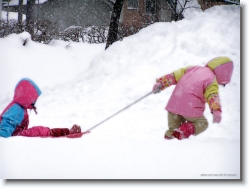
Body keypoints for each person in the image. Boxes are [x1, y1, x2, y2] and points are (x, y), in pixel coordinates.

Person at [152, 56, 234, 140]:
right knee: (202, 124)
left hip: (174, 106)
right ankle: (183, 131)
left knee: (173, 130)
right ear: (223, 74)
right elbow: (212, 95)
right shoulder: (211, 79)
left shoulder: (192, 69)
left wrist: (161, 83)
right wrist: (216, 110)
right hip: (190, 109)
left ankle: (168, 142)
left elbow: (174, 76)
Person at [0, 78, 81, 138]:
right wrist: (4, 138)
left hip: (16, 135)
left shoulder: (19, 107)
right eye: (33, 98)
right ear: (26, 97)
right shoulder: (17, 109)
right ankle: (64, 132)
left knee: (39, 130)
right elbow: (5, 127)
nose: (35, 101)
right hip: (14, 138)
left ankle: (63, 132)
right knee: (38, 130)